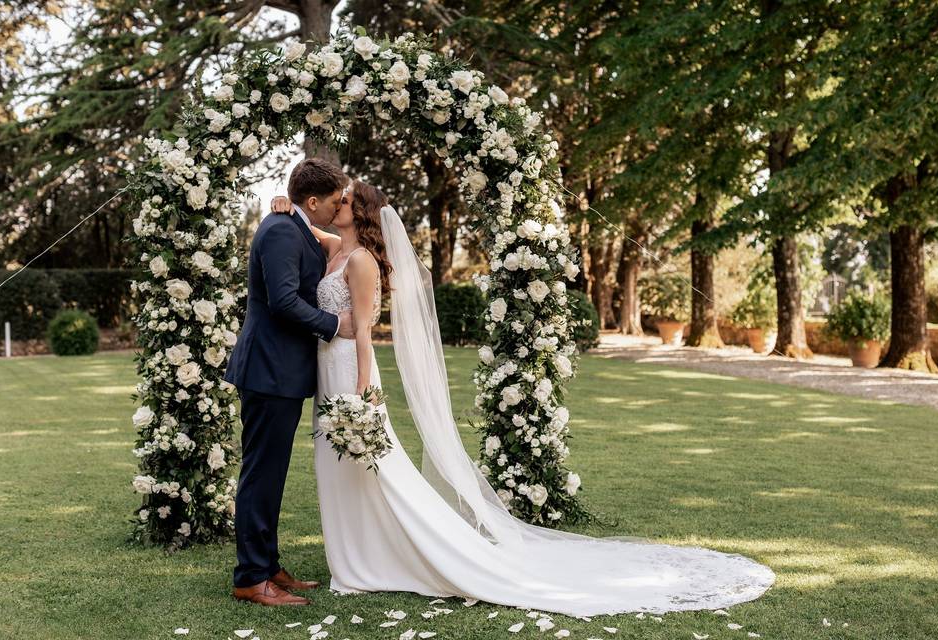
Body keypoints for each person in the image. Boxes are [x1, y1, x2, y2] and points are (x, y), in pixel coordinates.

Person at [267, 181, 775, 617]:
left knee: (376, 470)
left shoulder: (359, 260)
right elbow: (308, 228)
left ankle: (381, 558)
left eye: (348, 199)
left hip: (350, 375)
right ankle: (359, 554)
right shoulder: (337, 246)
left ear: (361, 211)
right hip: (326, 370)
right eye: (337, 198)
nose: (339, 201)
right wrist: (284, 206)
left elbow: (365, 332)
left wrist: (361, 393)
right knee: (344, 470)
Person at [223, 158, 356, 606]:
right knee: (261, 475)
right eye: (334, 201)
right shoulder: (281, 230)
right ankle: (250, 577)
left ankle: (268, 564)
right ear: (313, 201)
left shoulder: (294, 225)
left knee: (272, 473)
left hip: (280, 371)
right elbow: (281, 302)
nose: (339, 207)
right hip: (268, 369)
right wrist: (336, 324)